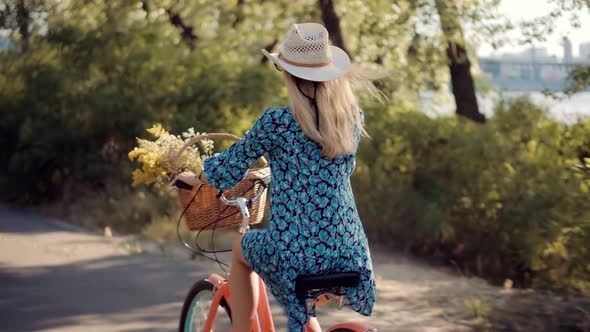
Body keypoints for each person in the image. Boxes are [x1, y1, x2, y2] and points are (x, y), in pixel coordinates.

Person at [177, 22, 377, 332]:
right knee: (301, 299)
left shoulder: (278, 122)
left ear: (288, 73)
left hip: (296, 251)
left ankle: (241, 327)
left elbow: (230, 167)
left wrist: (198, 177)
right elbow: (328, 171)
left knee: (242, 249)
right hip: (350, 250)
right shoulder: (350, 120)